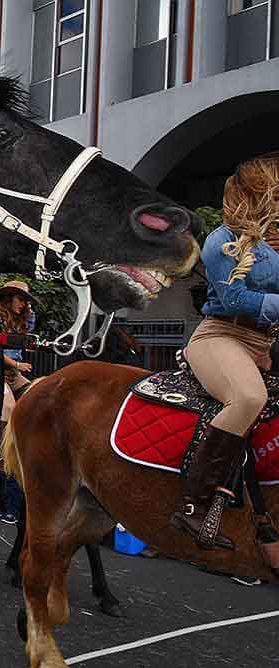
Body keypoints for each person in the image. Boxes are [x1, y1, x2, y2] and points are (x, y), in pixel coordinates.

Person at [172, 154, 279, 549]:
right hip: (221, 336)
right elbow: (234, 299)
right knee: (248, 397)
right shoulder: (222, 240)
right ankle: (192, 506)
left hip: (266, 340)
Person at [0, 280, 34, 524]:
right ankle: (0, 450)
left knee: (35, 395)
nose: (23, 304)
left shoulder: (24, 320)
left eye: (26, 300)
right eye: (20, 299)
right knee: (10, 406)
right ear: (9, 298)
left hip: (14, 374)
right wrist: (16, 365)